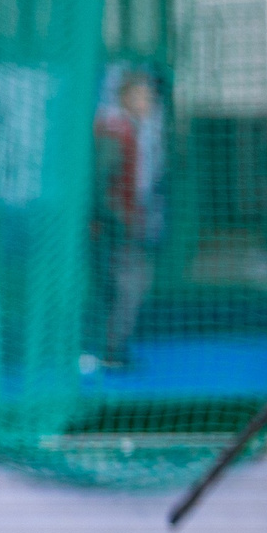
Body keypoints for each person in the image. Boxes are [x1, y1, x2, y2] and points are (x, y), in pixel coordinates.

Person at [91, 64, 166, 370]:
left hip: (119, 223)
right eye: (142, 97)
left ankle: (113, 348)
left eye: (150, 98)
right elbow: (102, 182)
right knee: (129, 285)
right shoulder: (115, 131)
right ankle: (113, 351)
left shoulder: (130, 130)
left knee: (124, 286)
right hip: (114, 227)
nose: (148, 104)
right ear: (125, 97)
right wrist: (119, 218)